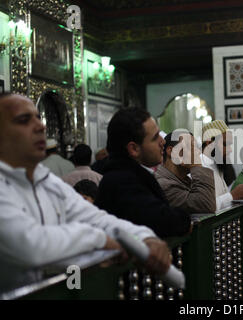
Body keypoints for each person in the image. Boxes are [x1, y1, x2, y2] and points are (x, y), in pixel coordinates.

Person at [0, 93, 171, 291]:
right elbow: (30, 245)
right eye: (23, 120)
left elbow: (98, 219)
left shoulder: (47, 182)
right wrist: (101, 240)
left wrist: (143, 237)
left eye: (38, 117)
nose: (40, 127)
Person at [95, 107, 192, 238]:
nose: (162, 141)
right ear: (134, 148)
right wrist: (183, 219)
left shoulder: (130, 175)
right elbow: (163, 221)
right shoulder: (121, 182)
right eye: (155, 137)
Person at [155, 130, 216, 213]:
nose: (198, 153)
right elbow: (206, 204)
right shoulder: (163, 185)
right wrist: (196, 165)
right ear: (171, 152)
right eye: (191, 147)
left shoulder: (183, 180)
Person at [201, 120, 243, 210]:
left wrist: (242, 196)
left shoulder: (217, 165)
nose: (230, 150)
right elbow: (204, 206)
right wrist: (233, 195)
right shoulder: (200, 167)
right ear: (209, 143)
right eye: (225, 144)